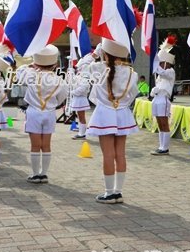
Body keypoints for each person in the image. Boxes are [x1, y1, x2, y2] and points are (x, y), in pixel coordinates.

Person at [87, 40, 140, 203]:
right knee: (120, 154)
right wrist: (120, 104)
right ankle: (118, 191)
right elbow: (133, 94)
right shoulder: (132, 73)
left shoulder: (97, 68)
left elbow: (84, 65)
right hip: (122, 113)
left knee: (108, 154)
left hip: (105, 113)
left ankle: (109, 192)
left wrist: (97, 52)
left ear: (105, 52)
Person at [16, 44, 68, 184]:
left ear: (36, 62)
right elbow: (62, 97)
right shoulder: (59, 79)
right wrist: (52, 104)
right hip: (50, 113)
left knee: (35, 145)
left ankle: (35, 174)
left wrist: (32, 65)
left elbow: (19, 72)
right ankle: (44, 174)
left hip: (33, 112)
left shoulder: (31, 75)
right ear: (55, 64)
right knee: (46, 144)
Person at [151, 36, 177, 155]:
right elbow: (160, 75)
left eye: (162, 63)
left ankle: (165, 147)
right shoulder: (160, 75)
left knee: (164, 122)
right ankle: (161, 146)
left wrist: (156, 65)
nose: (160, 65)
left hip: (164, 99)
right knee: (159, 122)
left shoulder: (170, 72)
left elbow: (163, 73)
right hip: (157, 99)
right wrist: (154, 90)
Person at [69, 57, 92, 140]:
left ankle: (82, 133)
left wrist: (72, 92)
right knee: (80, 117)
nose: (77, 69)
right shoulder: (80, 76)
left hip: (80, 99)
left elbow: (82, 89)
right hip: (78, 99)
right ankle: (81, 131)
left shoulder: (85, 77)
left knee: (81, 117)